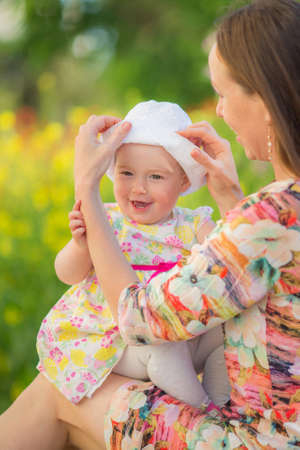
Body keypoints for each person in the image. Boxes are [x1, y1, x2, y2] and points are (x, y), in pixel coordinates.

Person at [0, 0, 299, 448]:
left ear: (267, 98)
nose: (218, 111)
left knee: (62, 388)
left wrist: (88, 189)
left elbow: (142, 319)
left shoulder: (271, 216)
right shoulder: (274, 213)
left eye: (224, 92)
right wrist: (232, 202)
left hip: (257, 439)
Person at [36, 100, 230, 411]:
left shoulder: (192, 224)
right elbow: (67, 274)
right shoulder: (107, 220)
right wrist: (81, 244)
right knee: (160, 342)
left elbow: (228, 260)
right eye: (127, 173)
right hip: (118, 340)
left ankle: (223, 404)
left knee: (228, 333)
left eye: (155, 177)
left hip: (180, 331)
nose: (138, 188)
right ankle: (204, 412)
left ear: (182, 182)